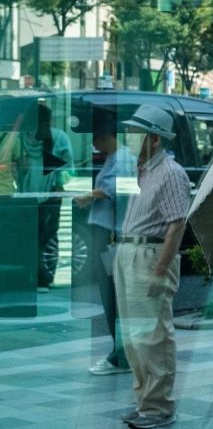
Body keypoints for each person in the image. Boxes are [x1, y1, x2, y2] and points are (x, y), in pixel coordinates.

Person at [115, 105, 189, 429]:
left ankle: (159, 407)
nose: (129, 137)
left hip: (150, 255)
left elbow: (177, 225)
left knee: (153, 336)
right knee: (133, 337)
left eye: (135, 132)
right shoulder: (140, 168)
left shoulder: (171, 173)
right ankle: (145, 401)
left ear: (154, 138)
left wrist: (160, 270)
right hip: (129, 252)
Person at [76, 124, 137, 375]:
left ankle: (121, 355)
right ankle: (119, 351)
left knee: (113, 294)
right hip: (107, 230)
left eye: (97, 140)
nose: (95, 146)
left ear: (106, 136)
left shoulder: (122, 158)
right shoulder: (115, 157)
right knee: (110, 294)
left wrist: (87, 195)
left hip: (110, 232)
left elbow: (113, 190)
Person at [21, 103, 74, 290]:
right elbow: (69, 169)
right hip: (51, 196)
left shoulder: (23, 138)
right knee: (49, 237)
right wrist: (59, 182)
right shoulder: (60, 136)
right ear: (49, 120)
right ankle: (45, 278)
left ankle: (29, 277)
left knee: (29, 237)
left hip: (25, 196)